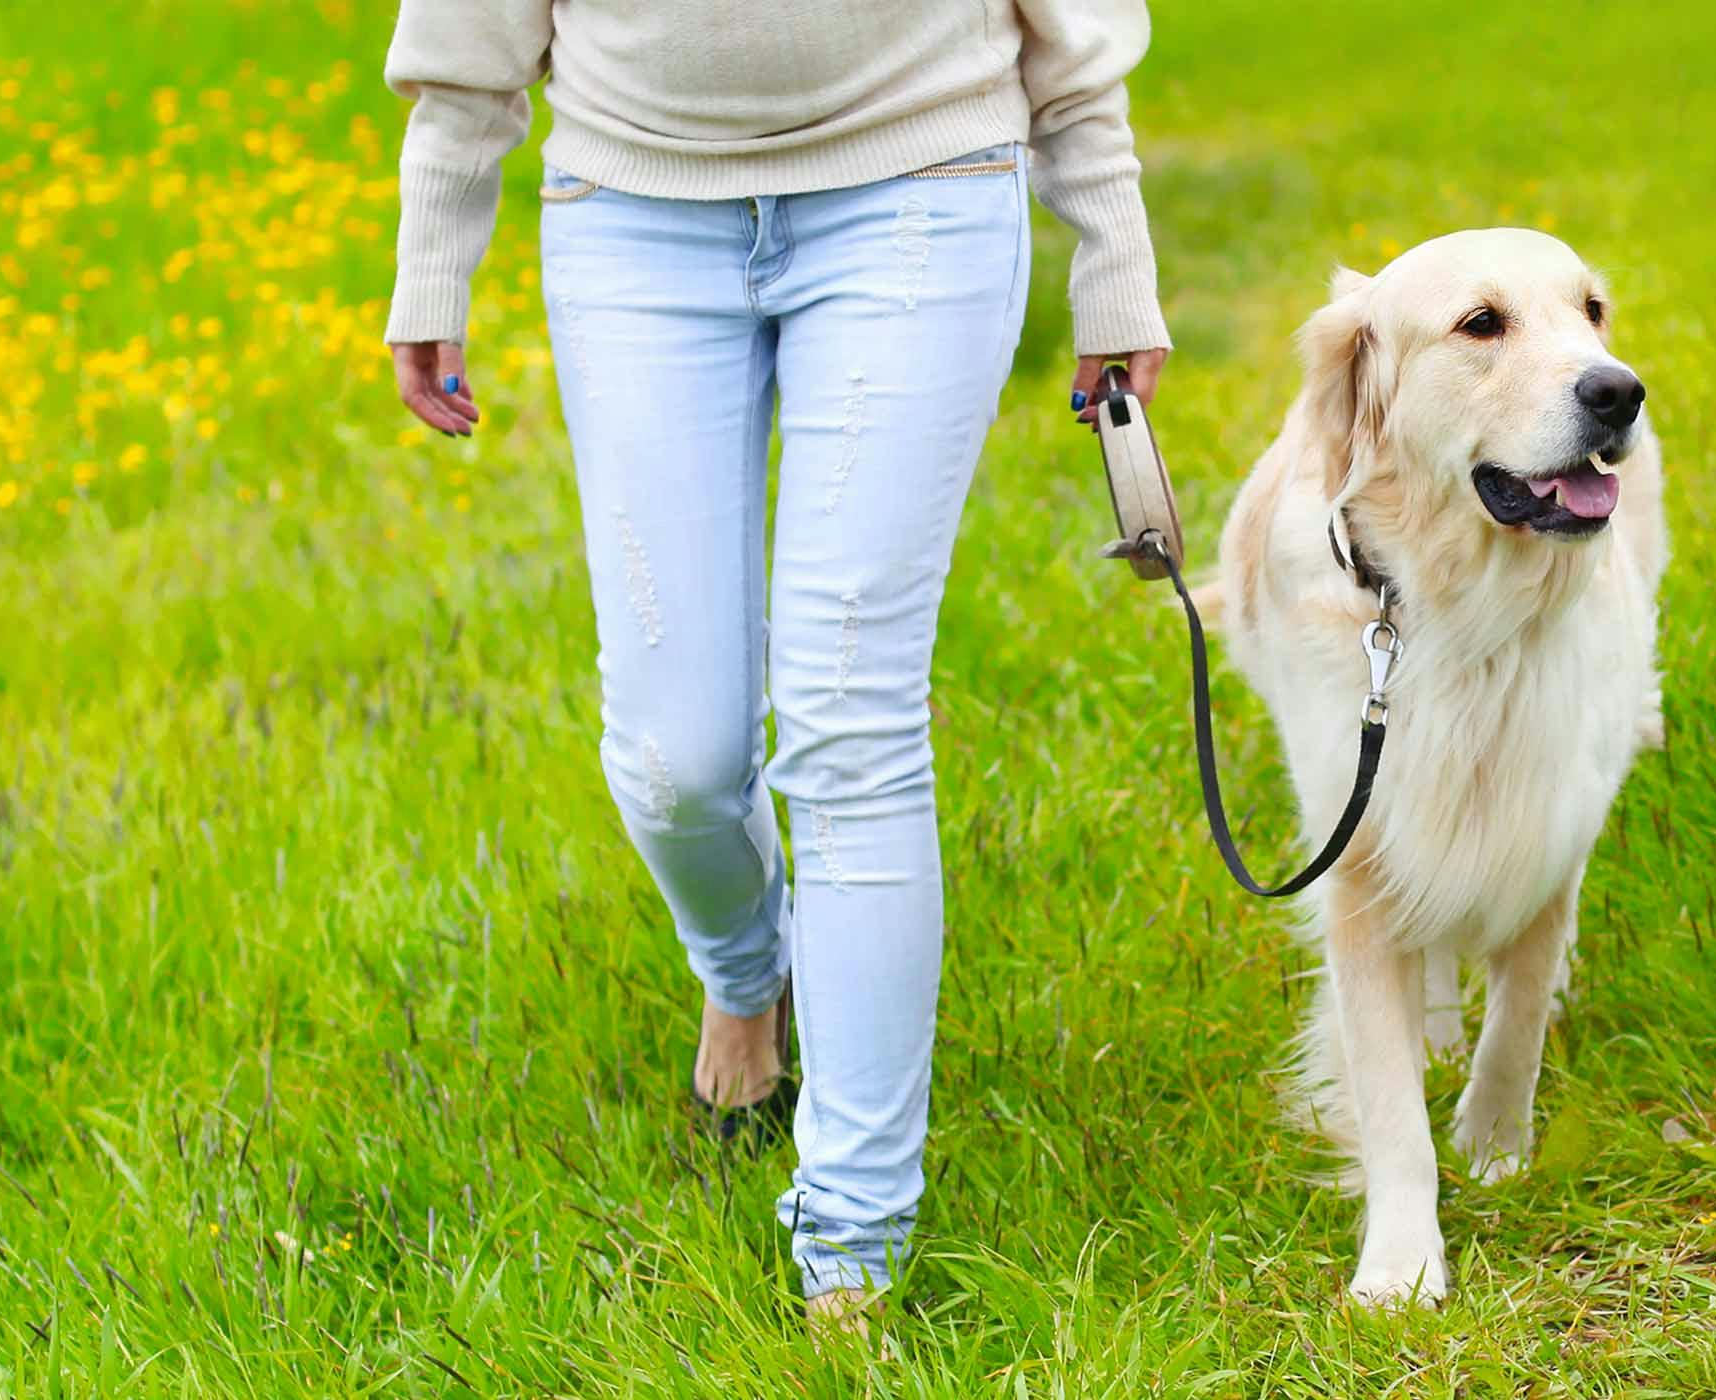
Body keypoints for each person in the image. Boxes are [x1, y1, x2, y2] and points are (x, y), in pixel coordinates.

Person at [382, 0, 1170, 1323]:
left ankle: (851, 1249)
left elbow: (1077, 40)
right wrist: (432, 259)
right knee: (672, 759)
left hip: (919, 192)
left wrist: (1115, 260)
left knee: (852, 720)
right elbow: (469, 38)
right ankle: (749, 976)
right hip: (631, 217)